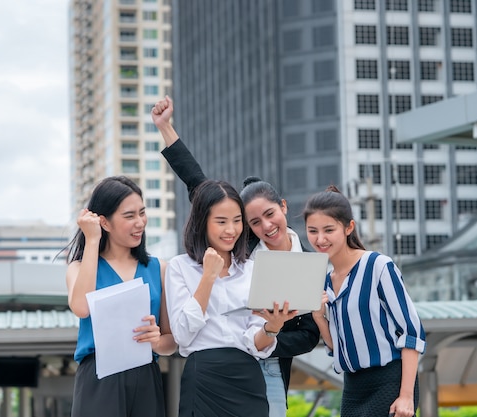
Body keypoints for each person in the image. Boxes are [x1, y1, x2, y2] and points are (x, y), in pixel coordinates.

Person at [152, 95, 320, 417]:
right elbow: (198, 184)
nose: (265, 226)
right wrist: (166, 128)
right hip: (210, 371)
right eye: (253, 221)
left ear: (283, 207)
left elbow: (308, 335)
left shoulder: (308, 263)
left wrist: (271, 330)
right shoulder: (243, 253)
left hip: (262, 362)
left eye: (269, 215)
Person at [165, 179, 296, 417]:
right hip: (203, 377)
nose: (231, 230)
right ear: (202, 222)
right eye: (221, 222)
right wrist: (208, 277)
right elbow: (182, 334)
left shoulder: (252, 269)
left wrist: (272, 327)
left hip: (248, 378)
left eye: (237, 221)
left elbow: (256, 343)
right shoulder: (179, 267)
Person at [303, 185, 426, 417]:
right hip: (352, 387)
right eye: (312, 231)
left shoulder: (378, 266)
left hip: (389, 381)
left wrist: (407, 396)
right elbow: (337, 347)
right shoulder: (325, 281)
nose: (320, 239)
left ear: (349, 227)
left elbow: (412, 332)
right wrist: (319, 317)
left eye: (329, 230)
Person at [65, 176, 177, 417]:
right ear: (104, 222)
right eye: (129, 216)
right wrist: (92, 240)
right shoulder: (79, 268)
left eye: (142, 213)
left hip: (146, 375)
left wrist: (156, 341)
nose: (140, 222)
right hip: (98, 378)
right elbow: (82, 308)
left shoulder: (160, 269)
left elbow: (170, 341)